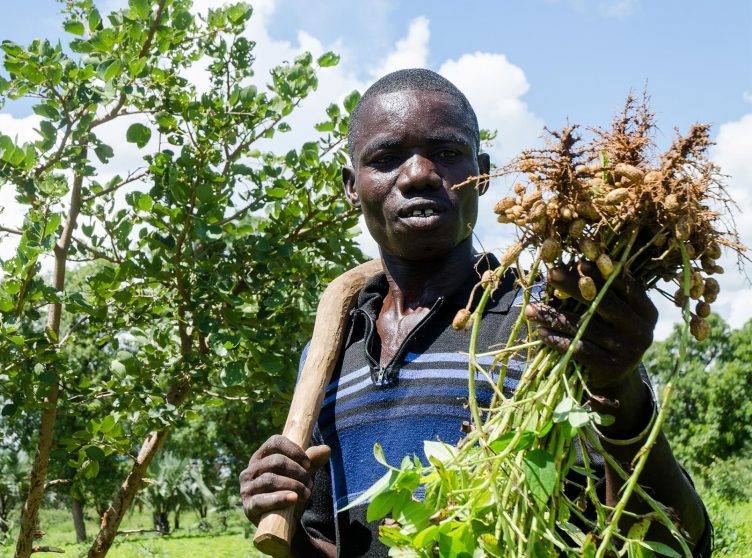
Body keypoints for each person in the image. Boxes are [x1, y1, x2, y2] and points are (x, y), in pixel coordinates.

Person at [238, 69, 710, 557]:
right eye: (386, 158)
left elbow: (676, 542)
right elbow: (332, 544)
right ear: (351, 187)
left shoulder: (551, 324)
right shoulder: (329, 351)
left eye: (445, 154)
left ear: (482, 174)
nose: (419, 173)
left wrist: (621, 392)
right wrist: (286, 522)